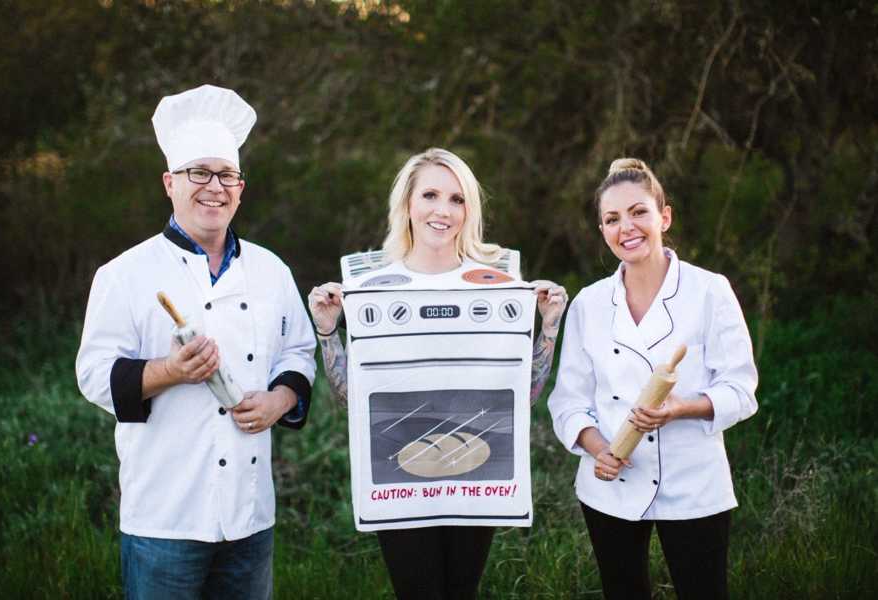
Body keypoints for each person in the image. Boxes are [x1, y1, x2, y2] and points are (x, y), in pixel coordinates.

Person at [75, 84, 316, 599]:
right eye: (198, 173)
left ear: (241, 188)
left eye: (226, 175)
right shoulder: (124, 274)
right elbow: (94, 375)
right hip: (164, 516)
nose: (214, 187)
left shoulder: (271, 270)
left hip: (250, 516)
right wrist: (171, 370)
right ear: (169, 183)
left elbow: (299, 352)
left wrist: (280, 399)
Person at [308, 147, 568, 599]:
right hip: (398, 475)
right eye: (430, 194)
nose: (442, 210)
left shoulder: (500, 284)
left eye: (457, 199)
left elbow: (521, 398)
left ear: (470, 210)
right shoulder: (370, 289)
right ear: (407, 204)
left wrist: (547, 327)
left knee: (462, 591)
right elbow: (355, 400)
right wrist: (329, 333)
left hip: (478, 473)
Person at [547, 158, 758, 600]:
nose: (627, 227)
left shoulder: (709, 291)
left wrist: (681, 408)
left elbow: (740, 389)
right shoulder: (589, 304)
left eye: (638, 211)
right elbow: (568, 402)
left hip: (694, 480)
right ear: (602, 230)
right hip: (611, 485)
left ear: (664, 216)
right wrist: (599, 449)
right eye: (612, 218)